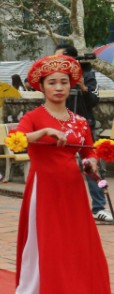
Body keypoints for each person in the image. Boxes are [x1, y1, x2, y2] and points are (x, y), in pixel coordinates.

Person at [11, 55, 114, 294]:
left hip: (72, 190)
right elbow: (15, 143)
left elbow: (88, 152)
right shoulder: (32, 117)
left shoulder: (79, 121)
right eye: (52, 82)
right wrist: (43, 131)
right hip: (43, 188)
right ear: (41, 87)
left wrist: (91, 162)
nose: (59, 87)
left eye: (64, 82)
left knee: (77, 246)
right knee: (42, 245)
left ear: (71, 86)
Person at [54, 44, 110, 223]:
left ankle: (99, 208)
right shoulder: (55, 79)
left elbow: (94, 102)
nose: (55, 61)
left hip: (84, 126)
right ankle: (63, 206)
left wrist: (83, 87)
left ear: (71, 60)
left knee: (91, 164)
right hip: (61, 127)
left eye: (59, 58)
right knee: (60, 166)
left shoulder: (87, 74)